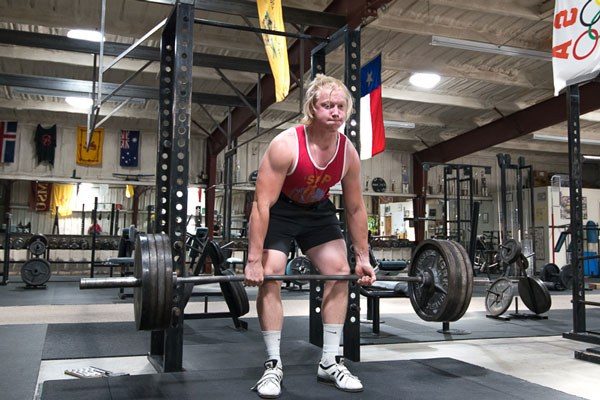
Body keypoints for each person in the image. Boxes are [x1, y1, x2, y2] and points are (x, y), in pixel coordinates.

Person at [244, 74, 377, 398]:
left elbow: (356, 208)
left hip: (317, 211)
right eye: (327, 105)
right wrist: (252, 261)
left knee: (340, 272)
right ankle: (273, 363)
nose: (335, 112)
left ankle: (330, 360)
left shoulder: (347, 153)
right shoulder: (286, 145)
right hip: (281, 210)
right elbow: (262, 204)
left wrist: (362, 258)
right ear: (311, 108)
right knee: (271, 273)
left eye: (341, 106)